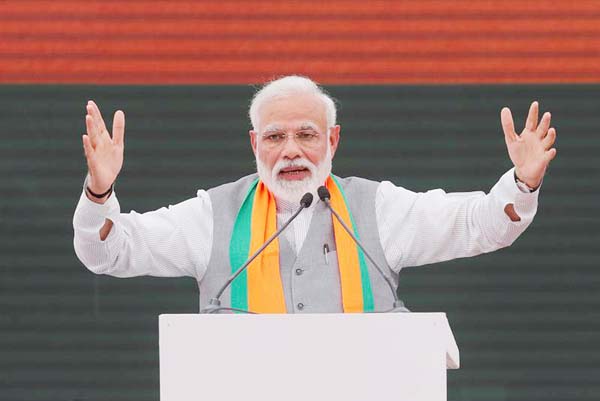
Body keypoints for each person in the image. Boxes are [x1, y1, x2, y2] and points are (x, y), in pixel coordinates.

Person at [73, 76, 558, 314]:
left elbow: (480, 224)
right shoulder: (212, 215)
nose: (291, 151)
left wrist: (522, 182)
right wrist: (100, 191)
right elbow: (108, 251)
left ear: (333, 141)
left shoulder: (377, 209)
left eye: (306, 135)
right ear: (254, 145)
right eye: (274, 137)